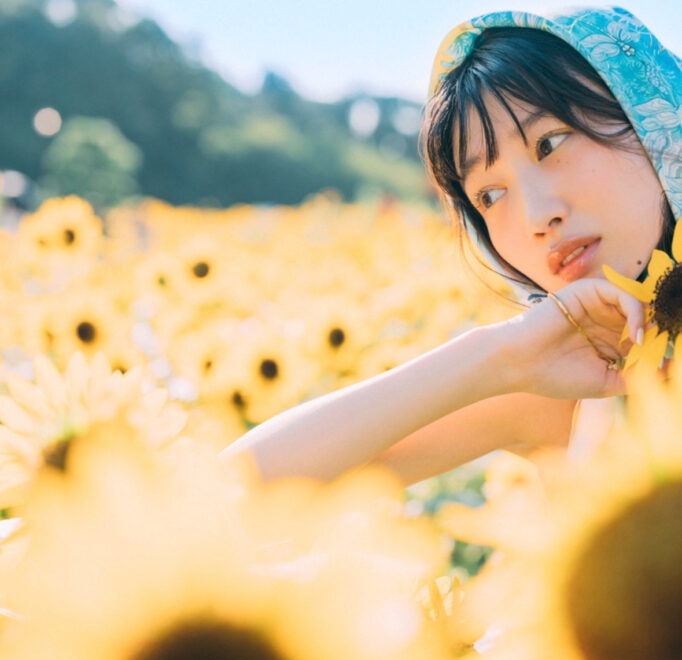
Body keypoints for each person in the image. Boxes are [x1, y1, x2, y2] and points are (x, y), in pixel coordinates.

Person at [222, 6, 681, 485]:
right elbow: (235, 494)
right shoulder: (568, 387)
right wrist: (501, 353)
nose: (536, 217)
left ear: (652, 113)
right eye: (490, 195)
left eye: (549, 143)